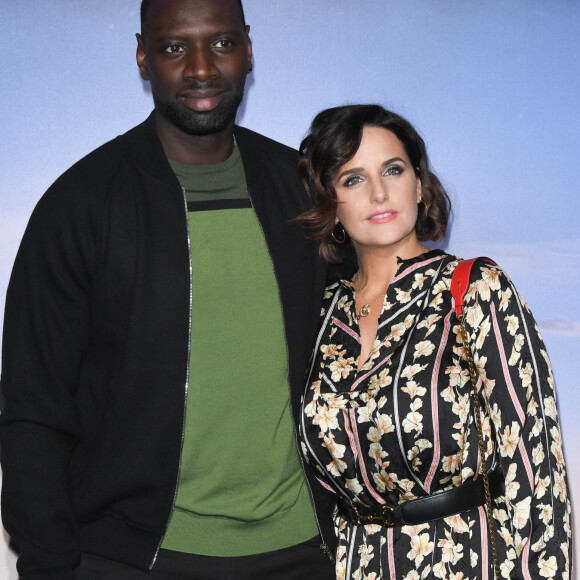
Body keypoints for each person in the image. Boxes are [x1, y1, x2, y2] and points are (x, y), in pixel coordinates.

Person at [0, 1, 337, 578]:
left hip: (301, 551)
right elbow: (33, 409)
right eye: (174, 47)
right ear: (142, 55)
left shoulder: (306, 196)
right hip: (128, 558)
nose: (201, 68)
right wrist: (50, 564)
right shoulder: (81, 204)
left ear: (249, 48)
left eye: (223, 44)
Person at [297, 104, 572, 579]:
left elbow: (536, 473)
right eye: (353, 179)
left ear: (420, 186)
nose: (380, 192)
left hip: (469, 563)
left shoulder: (474, 289)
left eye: (394, 170)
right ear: (331, 203)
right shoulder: (317, 315)